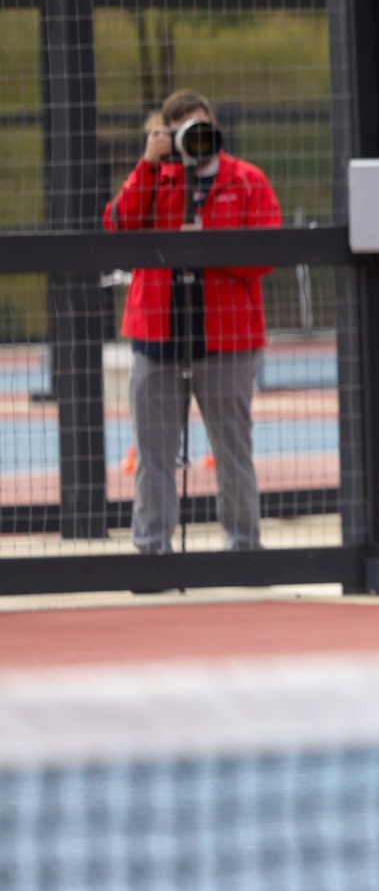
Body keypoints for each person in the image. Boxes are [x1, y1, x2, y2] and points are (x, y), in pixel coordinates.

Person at [102, 90, 278, 555]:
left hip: (228, 338)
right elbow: (117, 227)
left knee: (232, 452)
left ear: (214, 128)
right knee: (153, 456)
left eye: (201, 130)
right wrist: (147, 166)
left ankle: (243, 547)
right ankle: (151, 550)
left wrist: (207, 248)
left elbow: (267, 254)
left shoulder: (246, 180)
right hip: (157, 335)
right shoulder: (156, 178)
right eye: (183, 133)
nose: (195, 141)